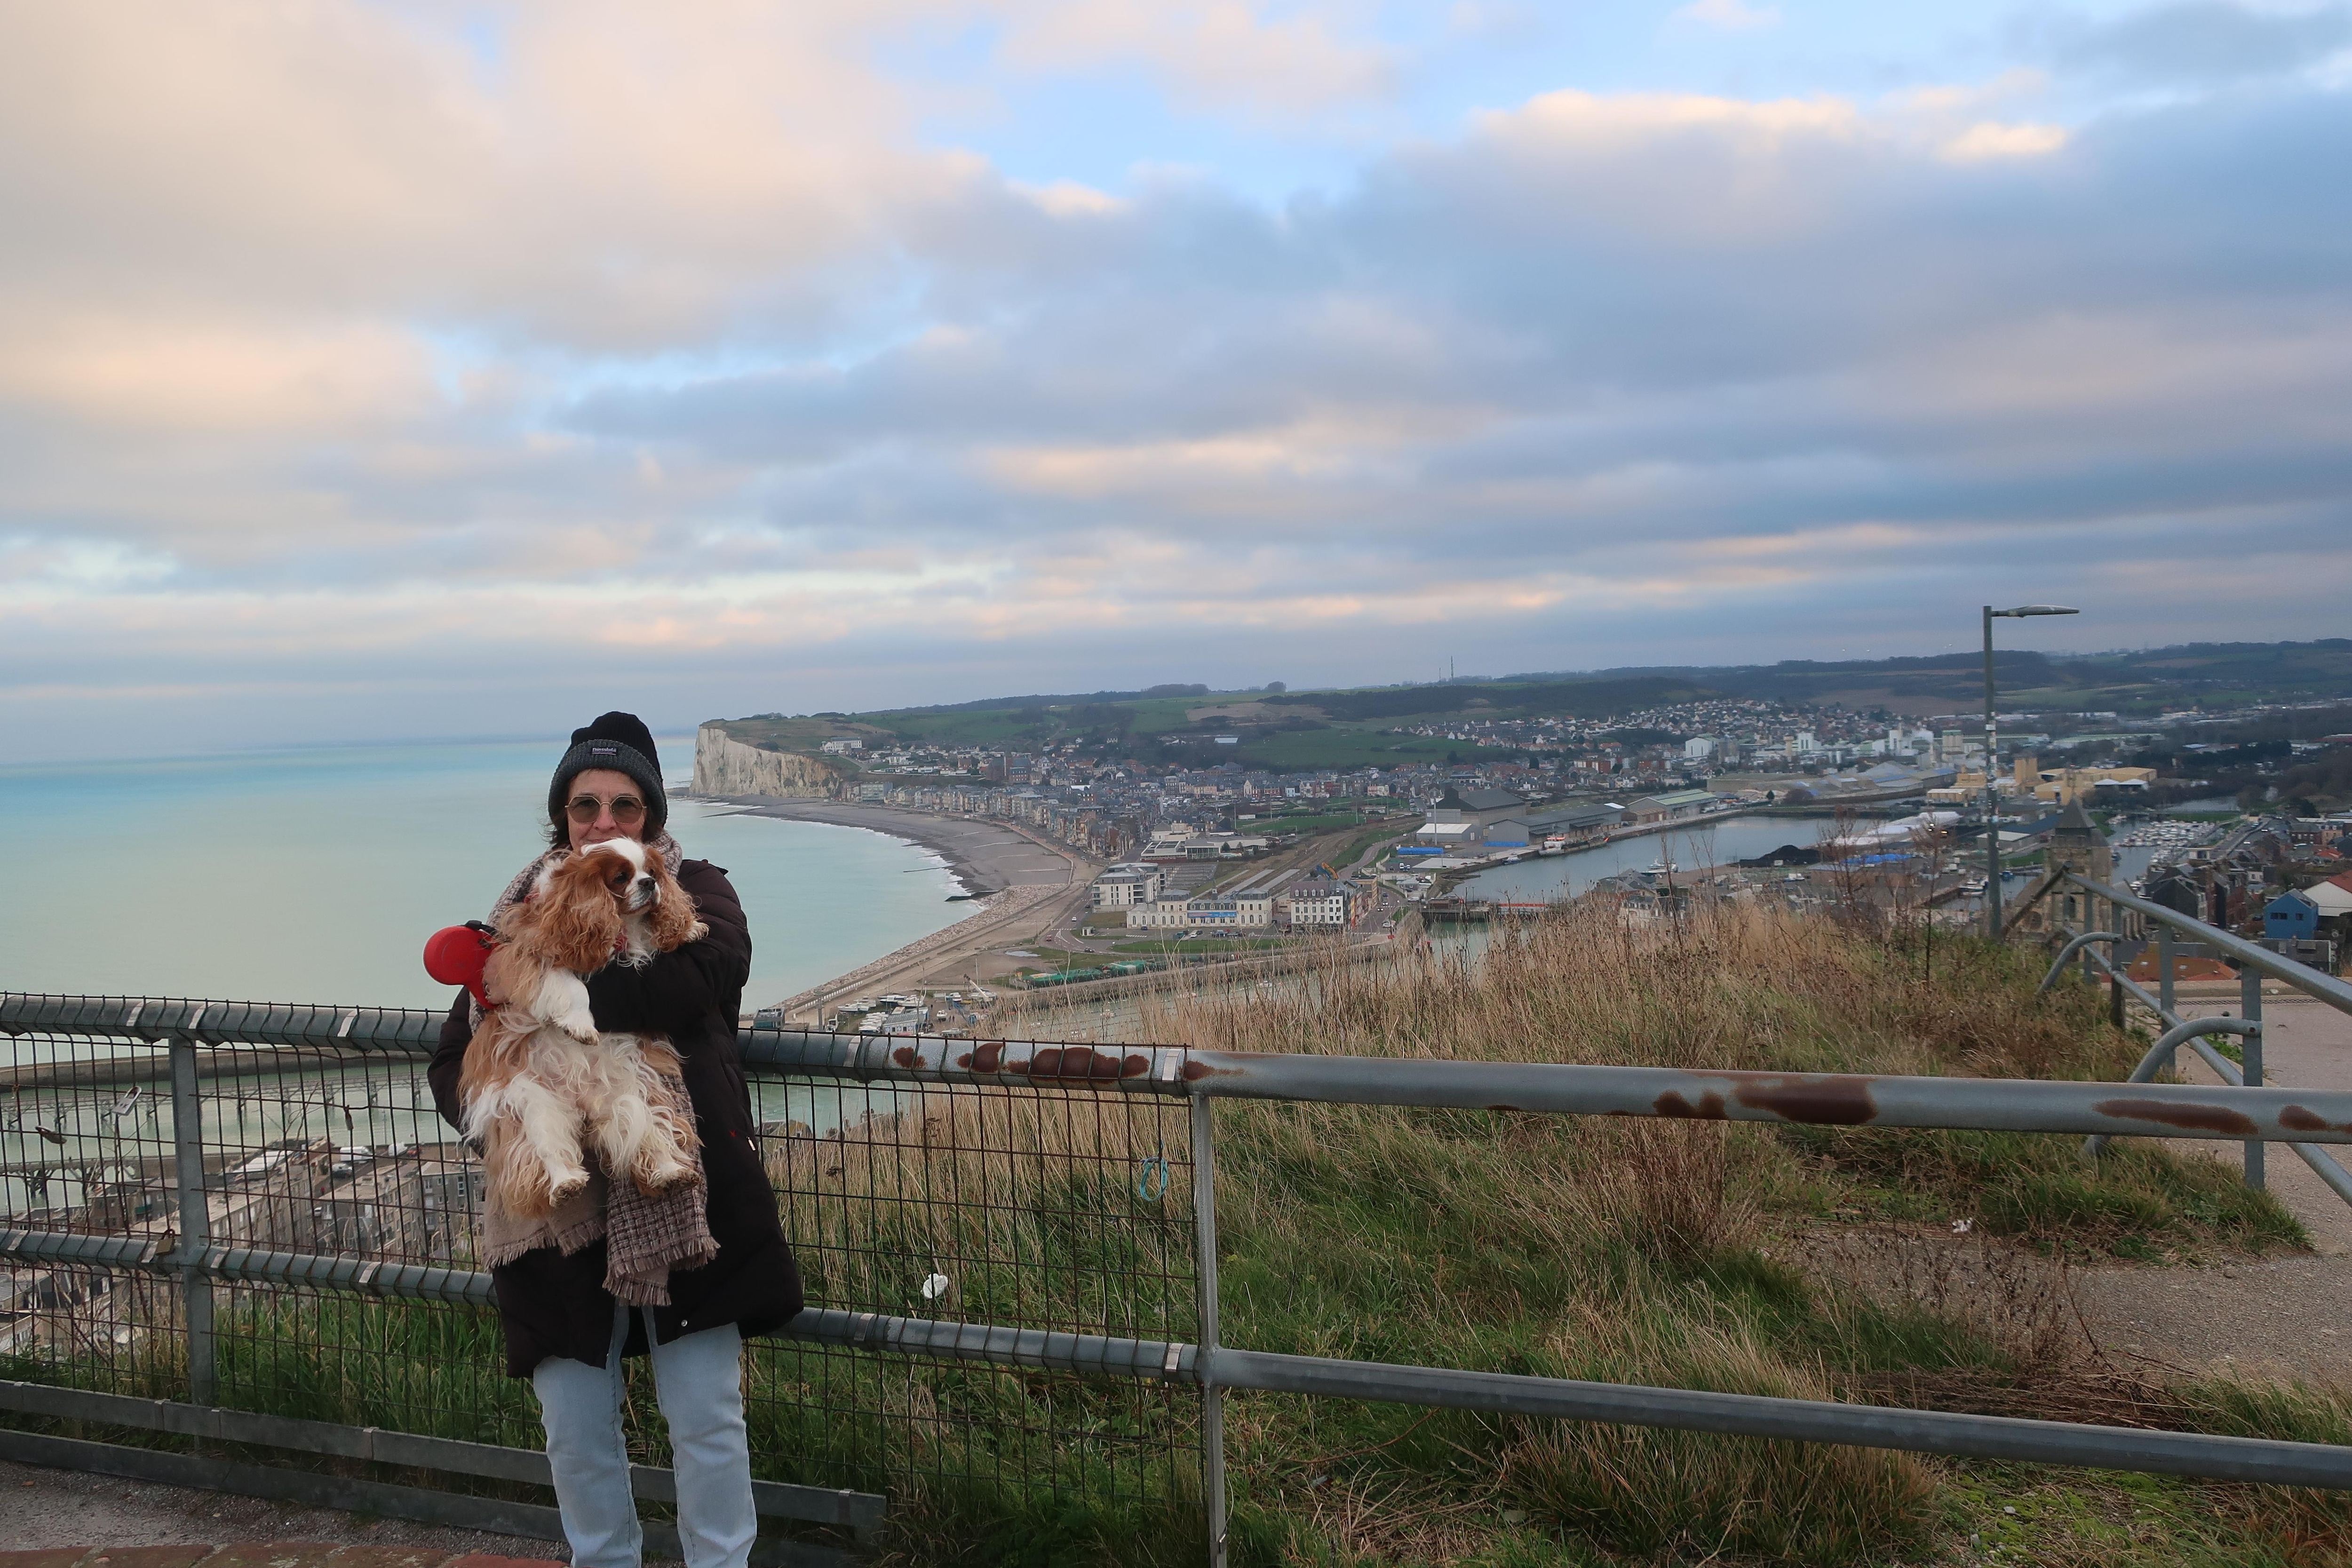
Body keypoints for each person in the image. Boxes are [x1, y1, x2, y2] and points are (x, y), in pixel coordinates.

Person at [428, 712, 802, 1568]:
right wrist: (514, 1102)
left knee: (706, 1414)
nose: (605, 820)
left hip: (679, 1185)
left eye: (624, 804)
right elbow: (453, 1062)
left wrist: (541, 985)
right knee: (576, 1427)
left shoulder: (700, 891)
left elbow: (692, 978)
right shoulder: (513, 913)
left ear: (652, 814)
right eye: (586, 804)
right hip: (555, 1210)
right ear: (562, 817)